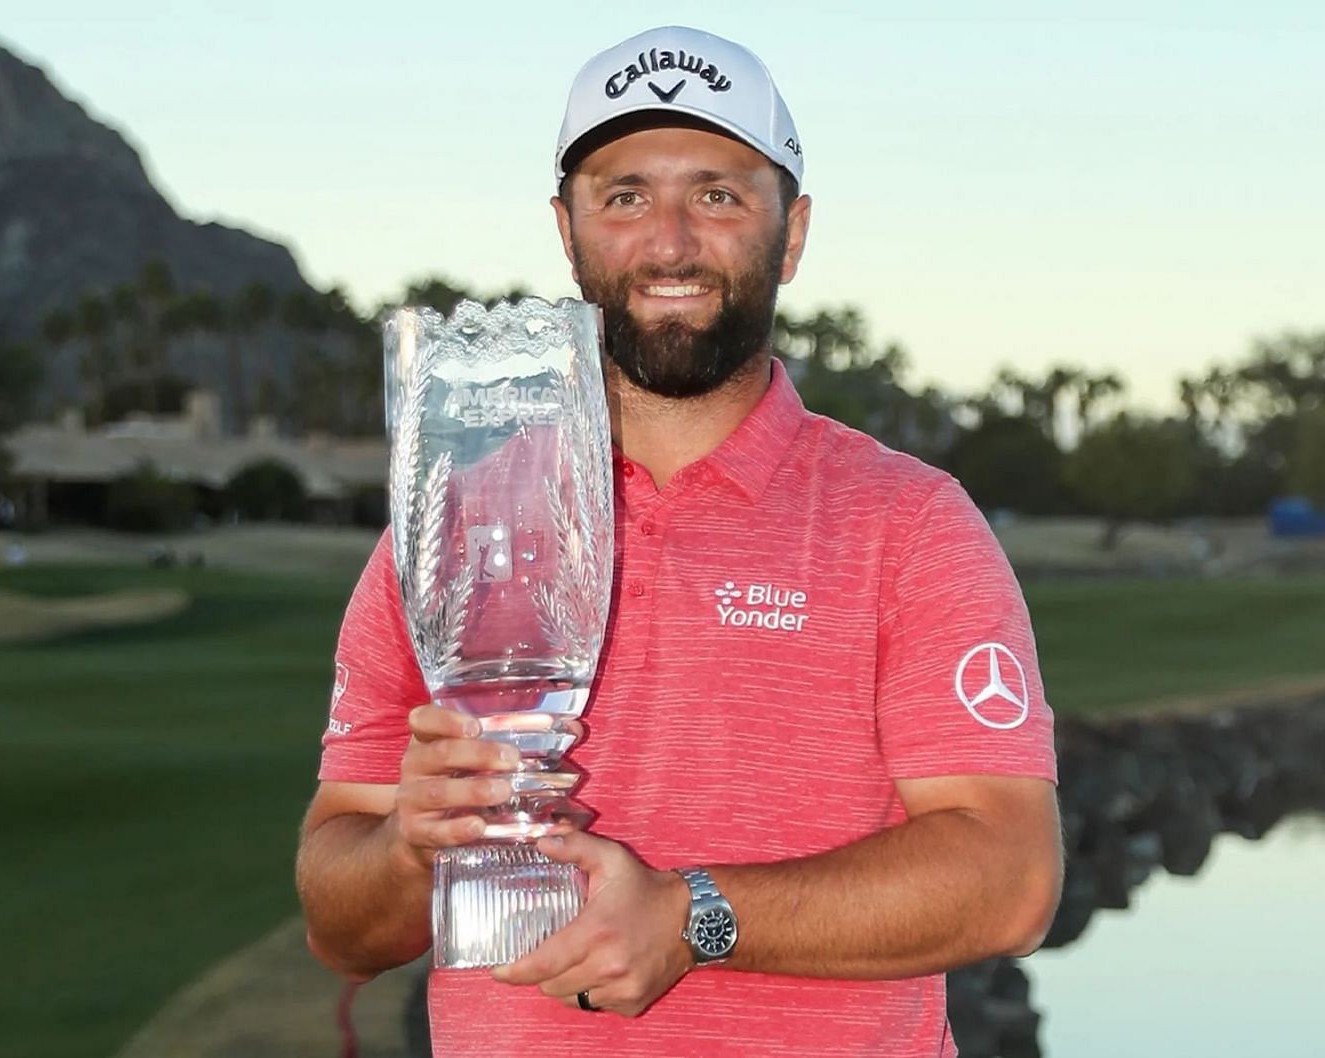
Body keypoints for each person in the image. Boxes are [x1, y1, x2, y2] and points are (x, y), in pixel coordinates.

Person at [297, 25, 1062, 1058]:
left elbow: (1012, 876)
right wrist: (407, 848)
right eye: (623, 196)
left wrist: (693, 915)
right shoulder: (449, 521)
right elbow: (342, 926)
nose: (668, 242)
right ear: (567, 230)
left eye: (717, 194)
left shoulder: (909, 522)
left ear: (790, 234)